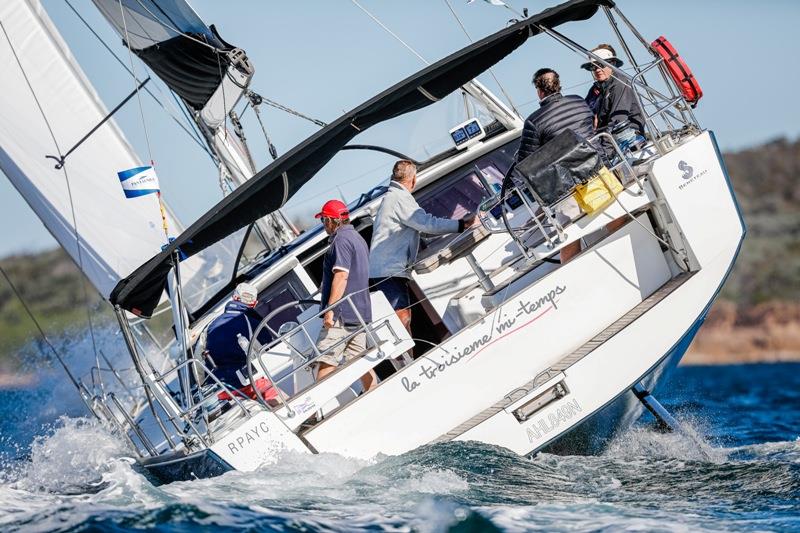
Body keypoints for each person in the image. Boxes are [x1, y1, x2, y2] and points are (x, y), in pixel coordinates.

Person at [369, 160, 475, 333]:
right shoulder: (399, 198)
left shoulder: (393, 197)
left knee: (403, 314)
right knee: (402, 316)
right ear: (413, 180)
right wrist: (462, 225)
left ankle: (406, 355)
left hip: (385, 268)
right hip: (388, 269)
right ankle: (405, 358)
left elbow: (421, 228)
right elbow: (427, 224)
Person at [314, 199, 377, 391]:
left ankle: (313, 414)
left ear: (333, 220)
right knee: (360, 363)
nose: (324, 225)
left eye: (324, 220)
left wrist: (330, 311)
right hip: (360, 312)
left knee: (326, 362)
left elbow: (341, 276)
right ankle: (376, 394)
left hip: (342, 314)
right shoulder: (357, 238)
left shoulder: (340, 240)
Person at [515, 68, 595, 164]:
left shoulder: (533, 121)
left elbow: (526, 161)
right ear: (558, 84)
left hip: (574, 174)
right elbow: (593, 124)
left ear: (539, 90)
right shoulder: (578, 100)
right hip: (601, 163)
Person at [205, 282, 268, 390]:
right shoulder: (253, 323)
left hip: (222, 389)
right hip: (250, 383)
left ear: (234, 297)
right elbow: (267, 353)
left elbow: (198, 363)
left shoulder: (209, 327)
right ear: (254, 303)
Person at [582, 44, 644, 136]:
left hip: (627, 139)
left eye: (601, 65)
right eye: (593, 66)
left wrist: (605, 149)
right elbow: (583, 113)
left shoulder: (620, 84)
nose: (597, 70)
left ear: (612, 64)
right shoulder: (595, 89)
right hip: (602, 137)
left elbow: (618, 122)